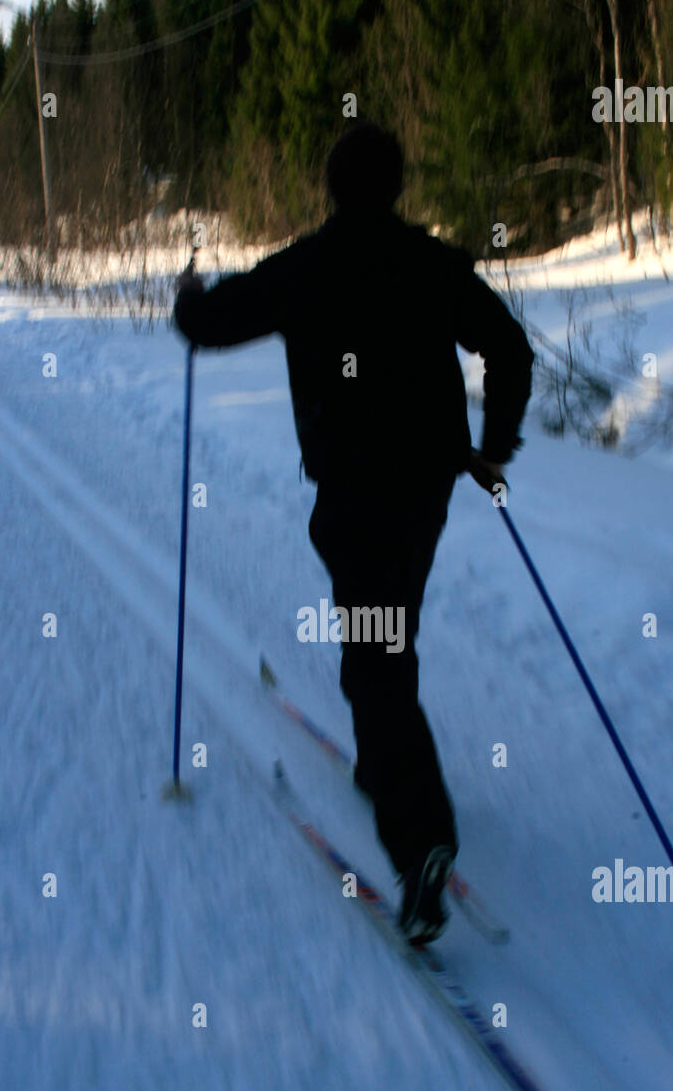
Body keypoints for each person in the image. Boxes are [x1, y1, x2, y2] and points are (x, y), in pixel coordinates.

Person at [173, 122, 533, 944]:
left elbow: (212, 324)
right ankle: (384, 766)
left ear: (333, 189)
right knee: (387, 637)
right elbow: (509, 348)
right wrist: (493, 445)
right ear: (397, 186)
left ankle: (422, 845)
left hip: (356, 497)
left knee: (375, 662)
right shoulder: (433, 263)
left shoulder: (307, 266)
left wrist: (190, 297)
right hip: (425, 494)